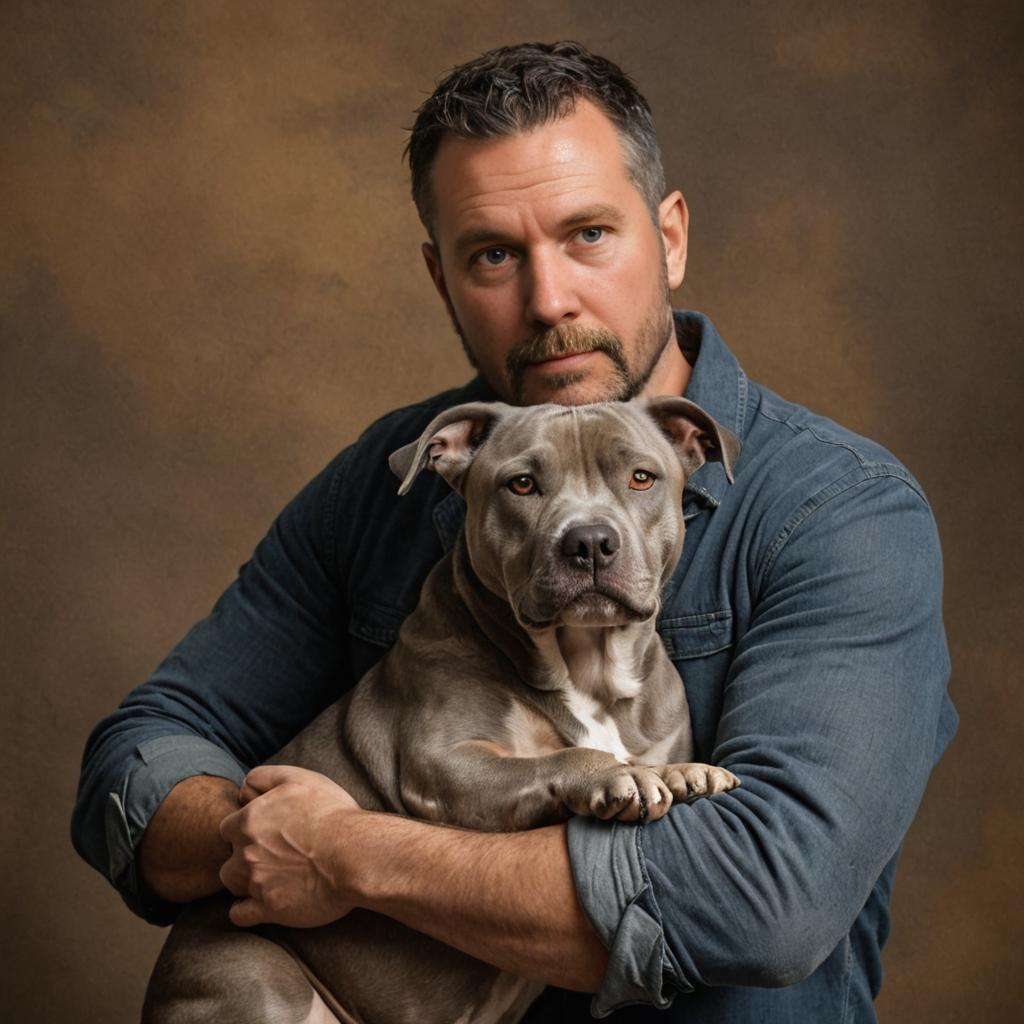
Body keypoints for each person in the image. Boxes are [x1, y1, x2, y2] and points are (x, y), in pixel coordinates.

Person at [71, 41, 957, 1021]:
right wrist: (255, 833)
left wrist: (346, 853)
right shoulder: (396, 475)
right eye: (493, 254)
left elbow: (766, 901)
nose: (548, 302)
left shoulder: (834, 512)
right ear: (439, 276)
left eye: (588, 236)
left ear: (668, 237)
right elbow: (139, 756)